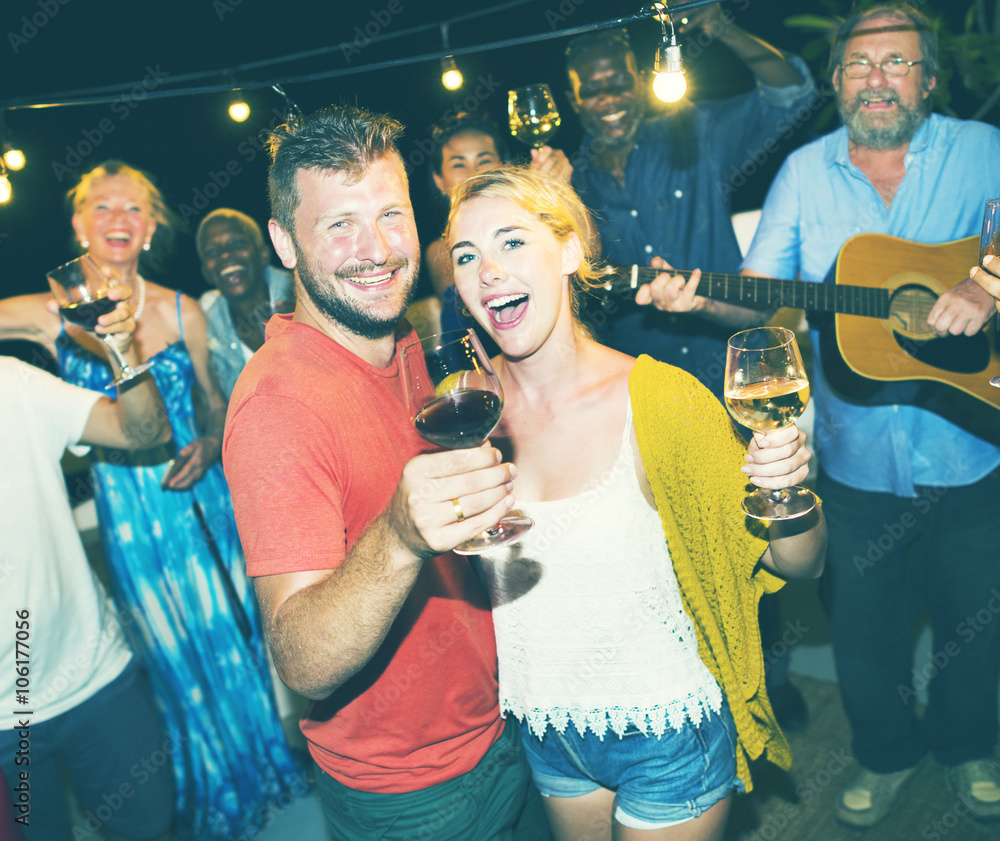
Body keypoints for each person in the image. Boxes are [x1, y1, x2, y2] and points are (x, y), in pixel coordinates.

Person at [444, 164, 826, 840]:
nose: (487, 271)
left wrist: (788, 487)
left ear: (567, 251)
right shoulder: (466, 413)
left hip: (666, 729)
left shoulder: (661, 399)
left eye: (511, 242)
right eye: (467, 255)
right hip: (548, 728)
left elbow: (798, 563)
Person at [222, 104, 549, 840]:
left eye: (391, 215)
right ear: (283, 241)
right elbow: (301, 659)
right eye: (339, 224)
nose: (375, 249)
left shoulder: (402, 338)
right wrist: (399, 537)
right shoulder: (278, 404)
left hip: (503, 730)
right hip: (416, 798)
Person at [738, 4, 1000, 827]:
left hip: (971, 442)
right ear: (838, 81)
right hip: (854, 461)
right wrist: (696, 294)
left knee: (976, 620)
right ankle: (886, 755)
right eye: (859, 65)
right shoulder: (803, 174)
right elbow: (756, 287)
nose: (876, 79)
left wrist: (987, 282)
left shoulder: (982, 150)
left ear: (927, 78)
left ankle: (967, 745)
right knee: (866, 635)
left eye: (895, 63)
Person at [0, 161, 300, 840]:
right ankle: (206, 793)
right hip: (129, 515)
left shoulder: (179, 307)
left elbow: (214, 403)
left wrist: (213, 440)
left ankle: (261, 777)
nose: (116, 220)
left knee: (232, 637)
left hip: (198, 498)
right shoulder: (50, 314)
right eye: (101, 208)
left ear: (152, 225)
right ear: (78, 223)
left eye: (132, 209)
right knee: (167, 652)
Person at [565, 4, 816, 397]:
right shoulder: (567, 184)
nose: (608, 99)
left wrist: (723, 28)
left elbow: (792, 95)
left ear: (641, 80)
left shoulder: (696, 132)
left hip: (741, 374)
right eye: (592, 90)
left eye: (618, 82)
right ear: (573, 99)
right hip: (648, 396)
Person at [0, 288, 174, 841]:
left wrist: (122, 351)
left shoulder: (12, 385)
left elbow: (144, 432)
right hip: (6, 729)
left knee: (152, 829)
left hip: (96, 680)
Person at [426, 112, 572, 298]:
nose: (473, 174)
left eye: (485, 161)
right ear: (439, 180)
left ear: (504, 167)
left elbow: (591, 254)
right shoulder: (438, 253)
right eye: (458, 164)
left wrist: (562, 190)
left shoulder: (530, 227)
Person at [196, 208, 295, 400]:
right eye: (212, 251)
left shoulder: (303, 295)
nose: (225, 255)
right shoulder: (204, 320)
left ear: (264, 253)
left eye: (237, 243)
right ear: (206, 272)